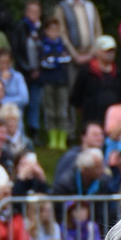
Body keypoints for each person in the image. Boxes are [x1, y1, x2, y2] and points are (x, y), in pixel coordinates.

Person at [71, 36, 121, 130]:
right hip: (91, 118)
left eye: (112, 51)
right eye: (106, 50)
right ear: (97, 51)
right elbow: (76, 96)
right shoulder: (86, 71)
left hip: (113, 120)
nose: (110, 54)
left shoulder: (119, 73)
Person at [54, 0, 103, 68]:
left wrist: (91, 53)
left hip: (91, 56)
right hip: (71, 57)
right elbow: (61, 33)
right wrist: (75, 55)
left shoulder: (90, 6)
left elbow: (98, 31)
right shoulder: (61, 8)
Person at [39, 14, 74, 147]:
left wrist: (56, 60)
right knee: (50, 110)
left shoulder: (63, 45)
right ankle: (52, 139)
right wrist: (54, 61)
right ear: (46, 31)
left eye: (56, 30)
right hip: (48, 81)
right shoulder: (43, 45)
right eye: (51, 30)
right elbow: (44, 62)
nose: (54, 33)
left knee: (62, 110)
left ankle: (62, 139)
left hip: (62, 81)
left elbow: (67, 60)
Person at [13, 0, 45, 139]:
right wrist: (28, 69)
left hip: (39, 73)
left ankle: (34, 130)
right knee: (22, 101)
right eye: (31, 11)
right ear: (26, 12)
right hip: (23, 72)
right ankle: (20, 131)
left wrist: (39, 69)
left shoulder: (42, 29)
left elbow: (47, 50)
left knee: (35, 102)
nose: (34, 14)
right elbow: (17, 50)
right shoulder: (20, 27)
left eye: (37, 12)